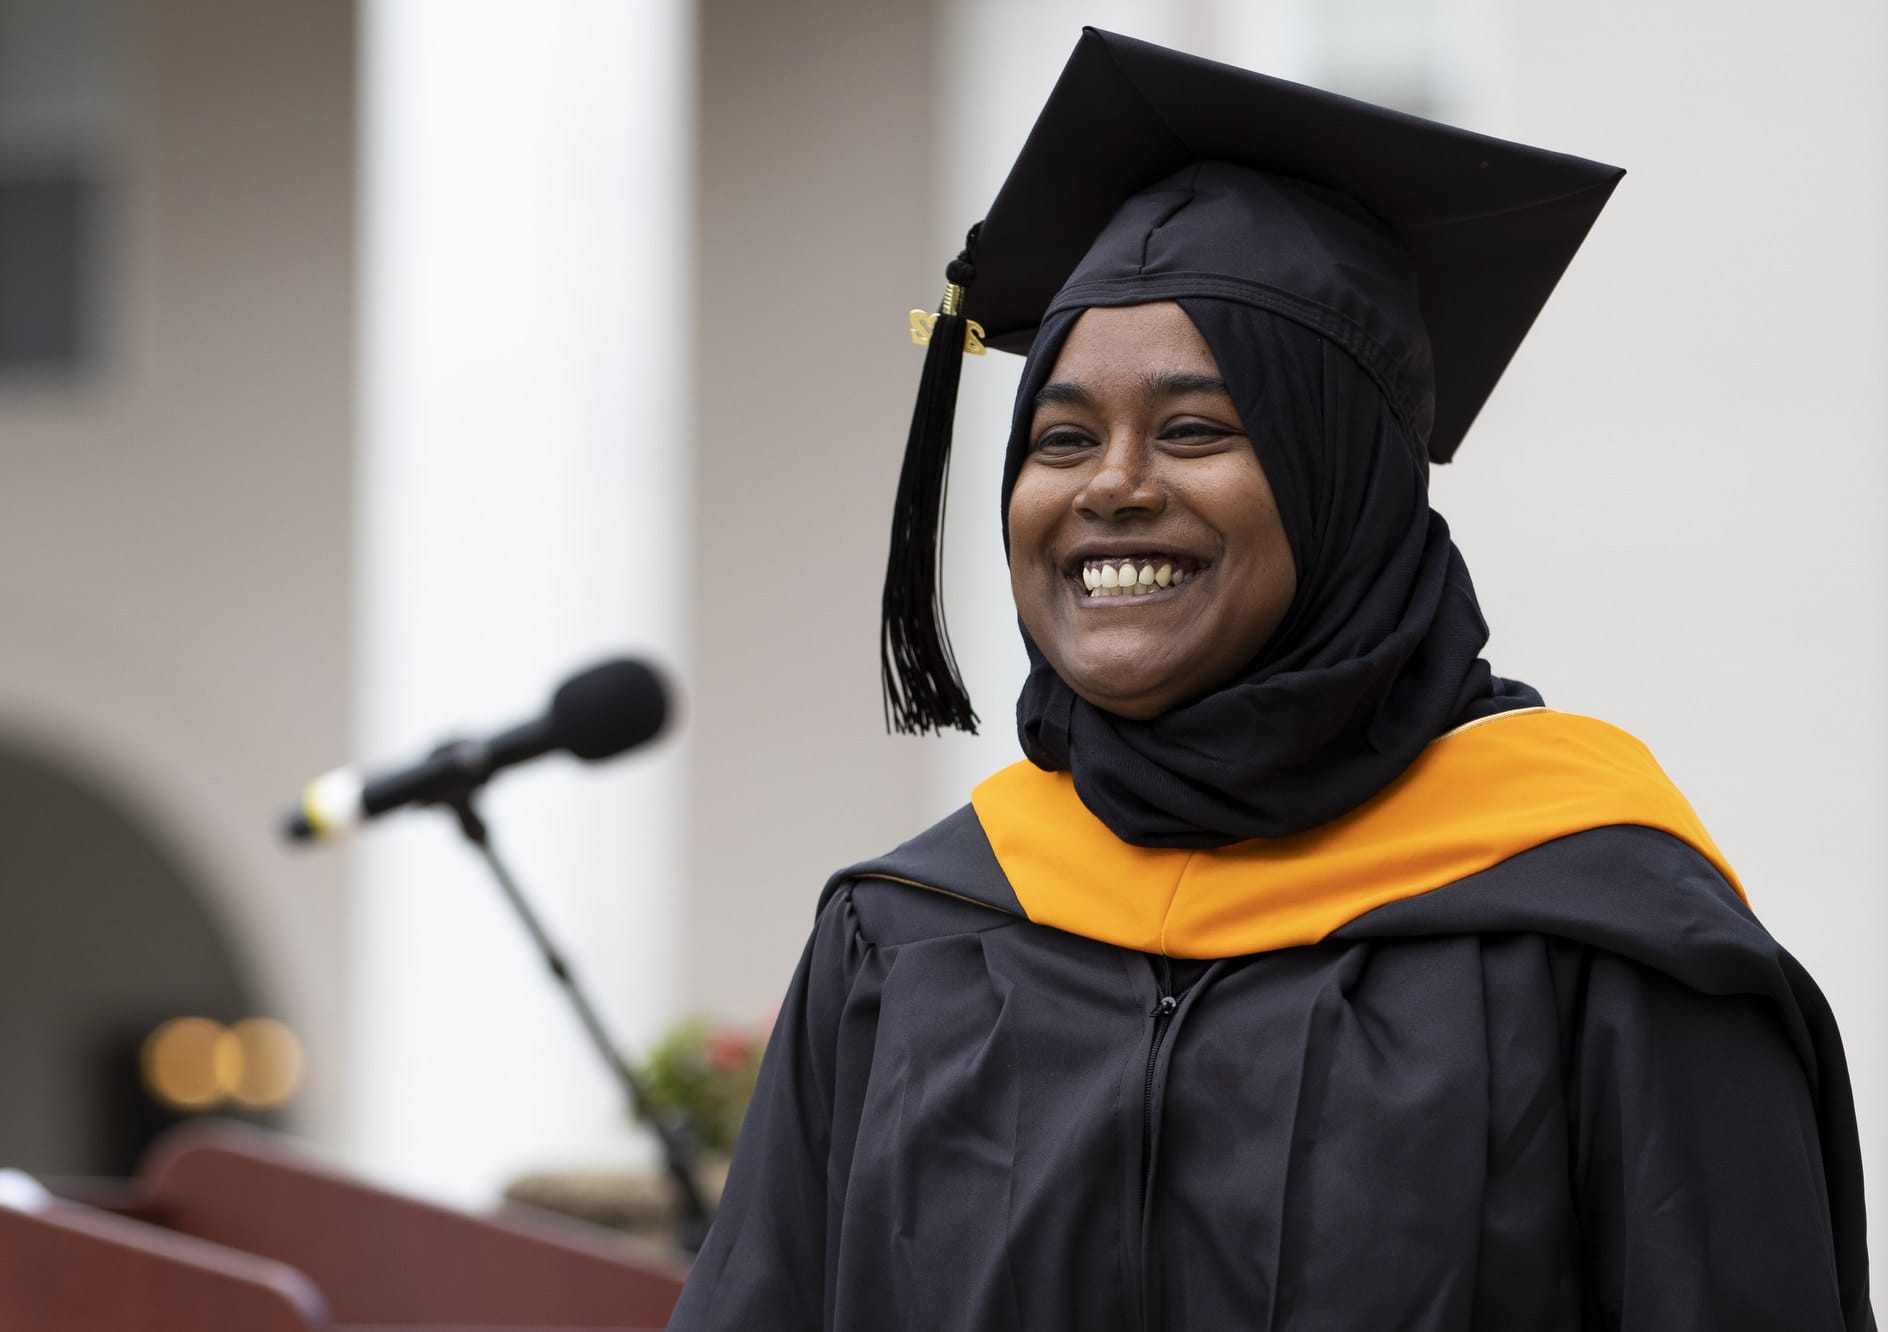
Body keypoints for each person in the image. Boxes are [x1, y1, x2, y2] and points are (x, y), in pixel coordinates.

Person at [668, 29, 1874, 1332]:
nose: (1112, 487)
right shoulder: (904, 943)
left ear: (1342, 480)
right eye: (1063, 438)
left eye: (1196, 428)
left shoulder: (1599, 938)